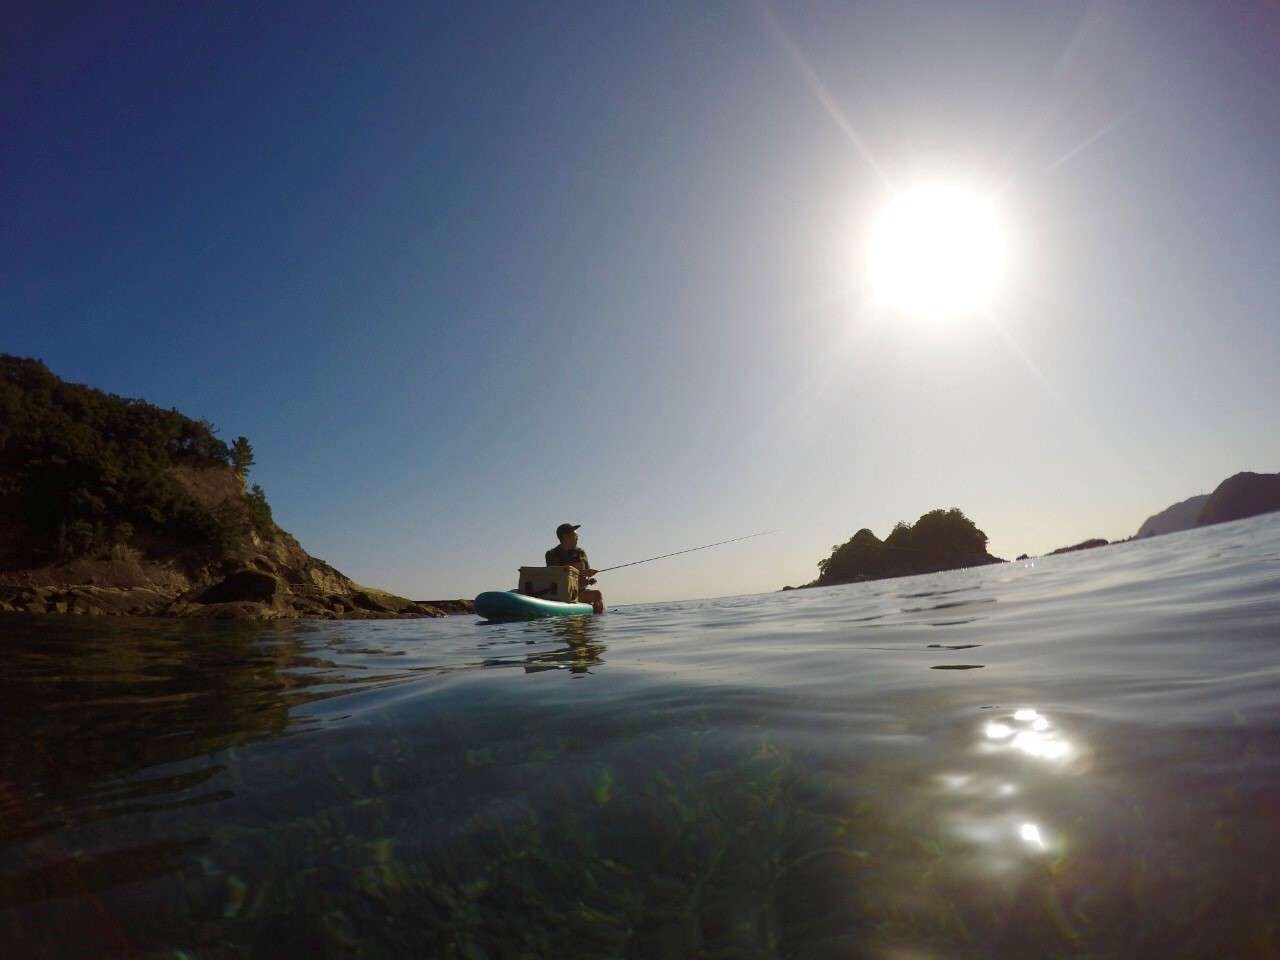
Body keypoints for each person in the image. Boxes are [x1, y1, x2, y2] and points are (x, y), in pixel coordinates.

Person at [545, 522, 605, 614]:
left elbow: (586, 577)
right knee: (597, 594)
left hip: (579, 592)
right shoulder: (551, 554)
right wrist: (582, 573)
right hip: (561, 595)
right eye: (574, 535)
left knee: (597, 595)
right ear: (565, 537)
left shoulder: (581, 553)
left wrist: (589, 580)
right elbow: (555, 576)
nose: (577, 538)